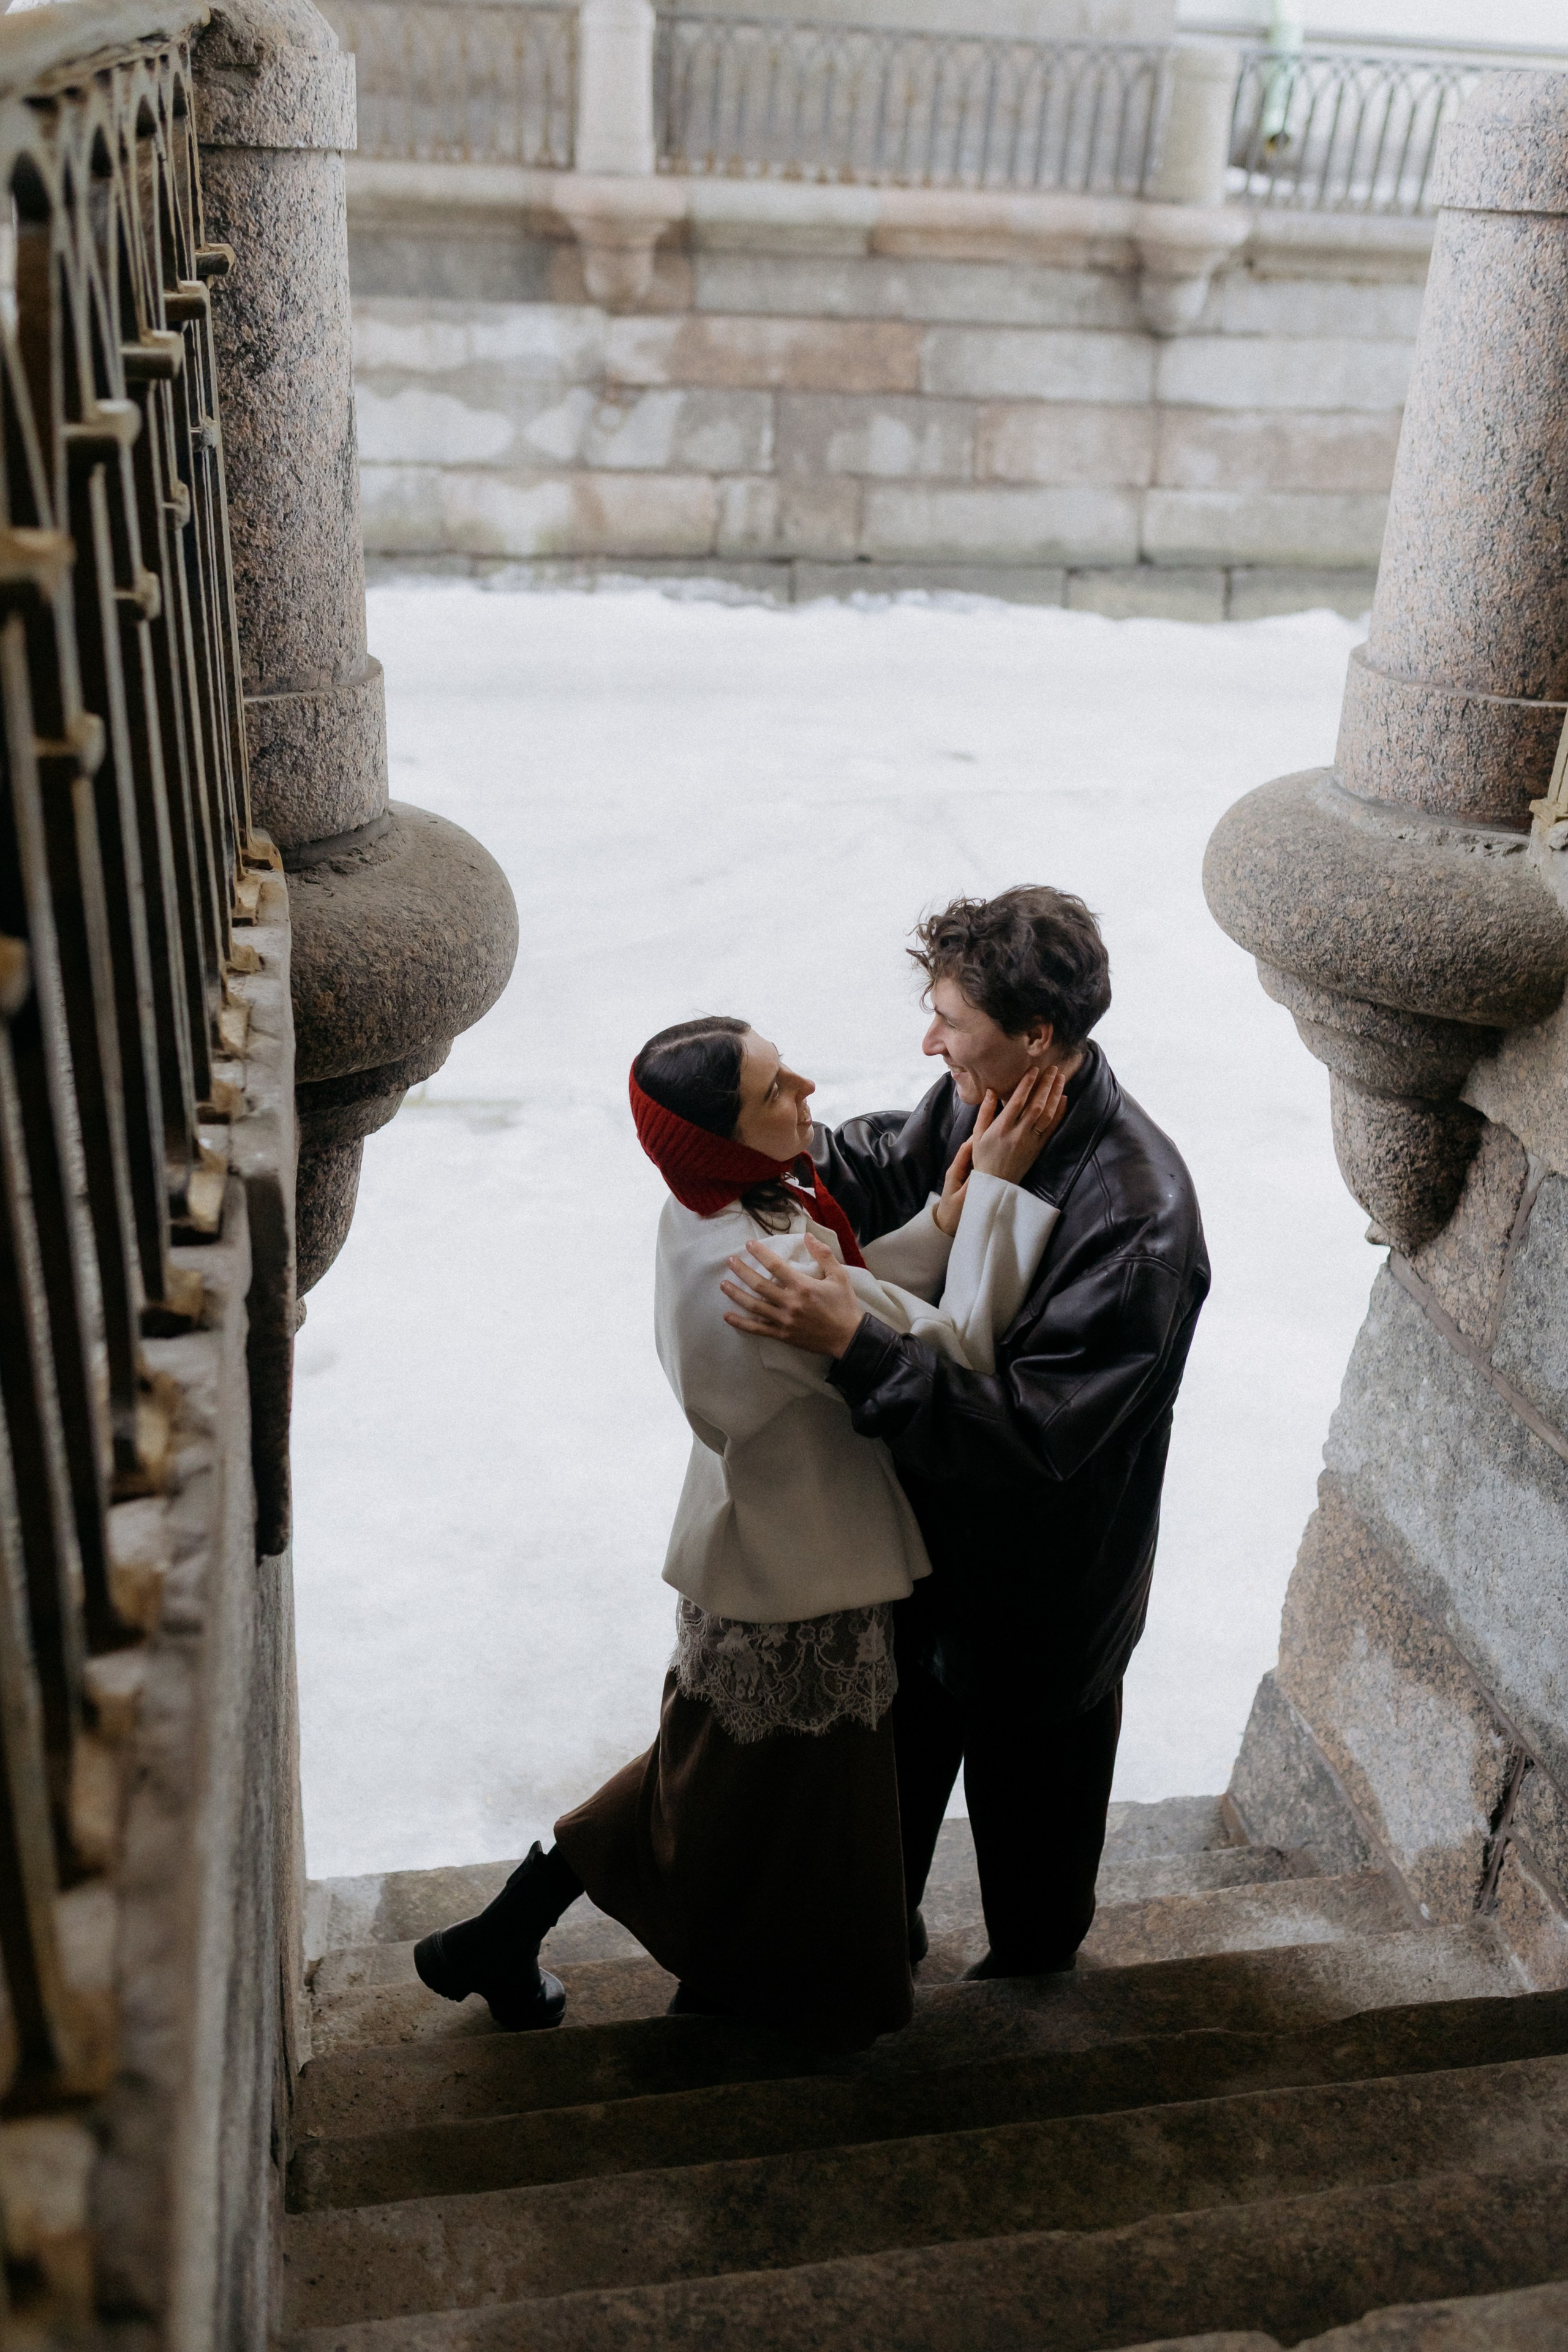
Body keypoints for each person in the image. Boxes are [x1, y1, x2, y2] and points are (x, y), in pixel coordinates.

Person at [413, 1015, 1065, 2048]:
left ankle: (503, 1940)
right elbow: (956, 1351)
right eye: (775, 1090)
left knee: (703, 1768)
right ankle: (768, 1998)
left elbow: (853, 1289)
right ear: (722, 1135)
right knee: (763, 1800)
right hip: (807, 1566)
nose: (809, 1085)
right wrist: (997, 1191)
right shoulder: (768, 1277)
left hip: (751, 1539)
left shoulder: (706, 1210)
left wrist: (939, 1220)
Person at [722, 888, 1209, 1981]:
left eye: (951, 1018)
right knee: (876, 1834)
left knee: (1035, 1889)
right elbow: (891, 1160)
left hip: (1041, 1602)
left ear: (1040, 1035)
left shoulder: (1139, 1225)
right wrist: (747, 1151)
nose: (929, 1039)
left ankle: (1028, 2002)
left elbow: (1037, 1441)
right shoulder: (983, 1095)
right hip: (915, 1560)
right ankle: (872, 1961)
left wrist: (855, 1343)